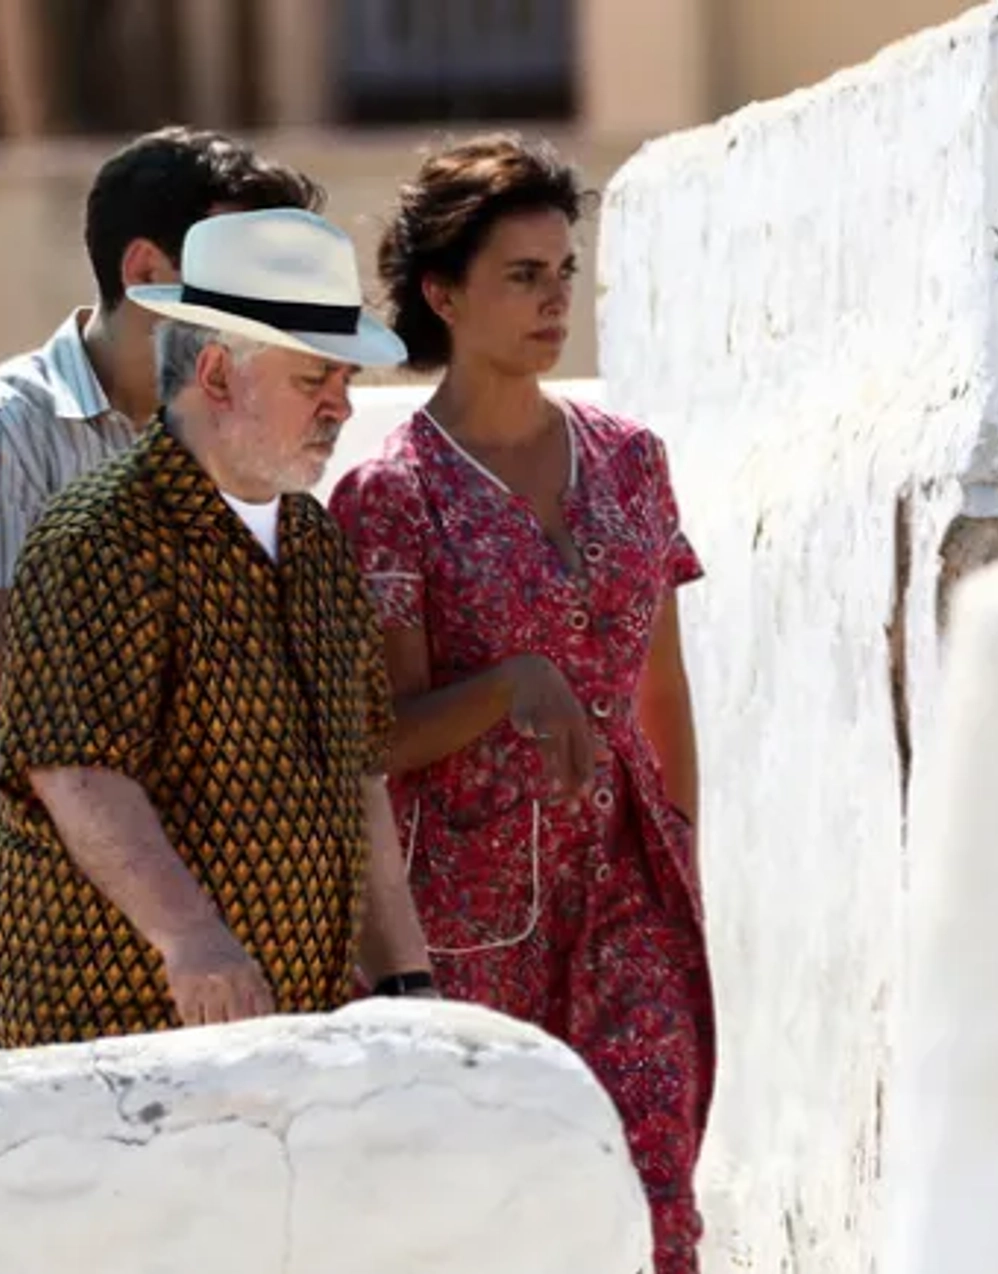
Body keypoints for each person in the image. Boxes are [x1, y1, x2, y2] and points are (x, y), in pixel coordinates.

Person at [327, 134, 714, 1274]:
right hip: (470, 916)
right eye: (522, 276)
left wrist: (676, 843)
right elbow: (380, 735)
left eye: (564, 274)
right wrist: (505, 687)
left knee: (656, 1194)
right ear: (442, 293)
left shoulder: (633, 458)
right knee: (494, 1217)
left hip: (630, 889)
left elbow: (662, 679)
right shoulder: (390, 494)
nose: (555, 302)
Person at [0, 207, 436, 1049]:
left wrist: (406, 979)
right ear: (217, 375)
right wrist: (192, 938)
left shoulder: (316, 543)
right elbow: (76, 771)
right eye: (313, 381)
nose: (340, 407)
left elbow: (359, 775)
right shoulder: (99, 537)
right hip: (113, 1040)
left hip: (286, 1037)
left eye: (345, 383)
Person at [0, 127, 325, 1055]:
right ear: (147, 269)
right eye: (242, 268)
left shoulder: (249, 430)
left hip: (227, 871)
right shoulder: (0, 429)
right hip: (30, 875)